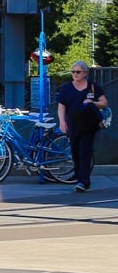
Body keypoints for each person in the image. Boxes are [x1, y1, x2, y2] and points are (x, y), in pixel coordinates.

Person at [56, 60, 108, 192]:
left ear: (85, 73)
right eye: (73, 71)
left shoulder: (93, 87)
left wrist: (92, 102)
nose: (75, 74)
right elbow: (61, 106)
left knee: (85, 152)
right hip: (73, 124)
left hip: (89, 124)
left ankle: (83, 181)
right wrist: (62, 122)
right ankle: (80, 178)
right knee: (75, 152)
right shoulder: (67, 88)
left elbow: (104, 103)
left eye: (78, 71)